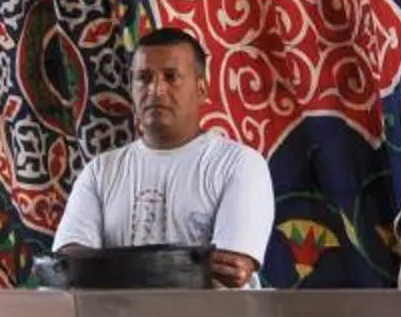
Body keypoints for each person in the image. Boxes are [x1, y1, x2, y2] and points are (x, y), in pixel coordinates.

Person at [53, 26, 274, 287]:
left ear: (202, 89)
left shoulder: (239, 165)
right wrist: (188, 263)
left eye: (171, 77)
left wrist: (108, 266)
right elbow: (68, 266)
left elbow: (232, 273)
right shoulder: (100, 172)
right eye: (144, 78)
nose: (155, 90)